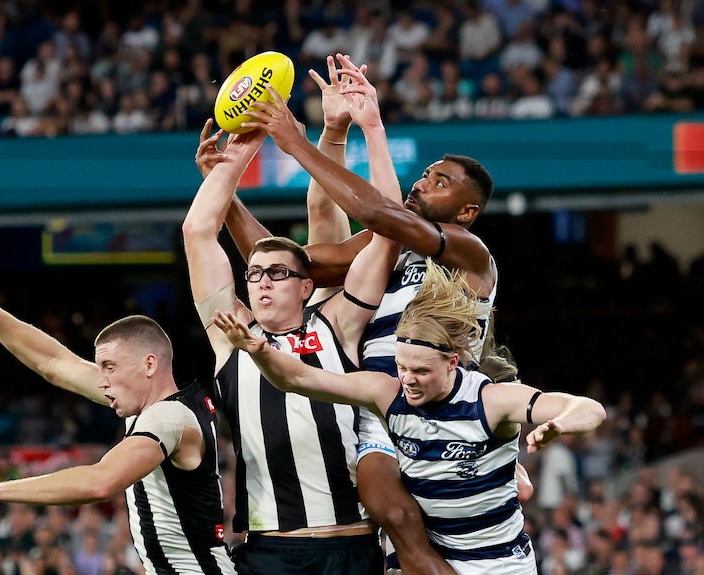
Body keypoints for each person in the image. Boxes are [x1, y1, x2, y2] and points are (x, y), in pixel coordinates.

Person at [223, 53, 529, 574]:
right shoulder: (383, 246)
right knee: (391, 514)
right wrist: (222, 189)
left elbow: (377, 210)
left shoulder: (469, 252)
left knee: (473, 537)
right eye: (426, 174)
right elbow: (287, 267)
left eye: (440, 181)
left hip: (450, 414)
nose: (423, 183)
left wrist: (297, 141)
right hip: (382, 409)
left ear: (466, 210)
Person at [213, 258, 607, 575]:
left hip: (499, 563)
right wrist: (259, 350)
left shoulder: (492, 401)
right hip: (432, 560)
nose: (409, 380)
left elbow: (588, 407)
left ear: (453, 362)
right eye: (402, 367)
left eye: (421, 372)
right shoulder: (387, 393)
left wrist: (560, 424)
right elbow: (297, 377)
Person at [181, 58, 408, 574]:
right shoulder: (230, 336)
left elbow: (387, 230)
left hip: (354, 544)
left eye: (276, 272)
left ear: (308, 285)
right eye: (253, 272)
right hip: (272, 550)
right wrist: (241, 147)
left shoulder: (336, 323)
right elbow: (198, 233)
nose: (260, 279)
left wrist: (365, 127)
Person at [0, 254, 236, 575]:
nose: (101, 381)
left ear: (149, 364)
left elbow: (100, 482)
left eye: (110, 368)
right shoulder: (157, 405)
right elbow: (53, 363)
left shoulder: (168, 419)